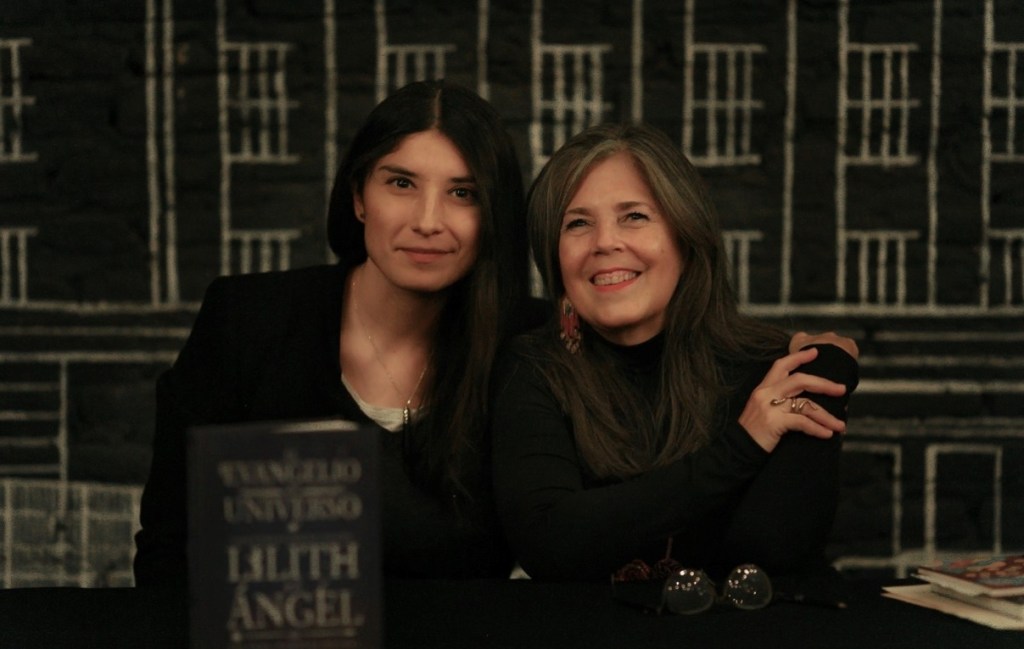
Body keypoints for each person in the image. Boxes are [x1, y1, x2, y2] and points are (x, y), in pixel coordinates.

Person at [134, 79, 541, 585]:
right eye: (401, 184)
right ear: (359, 197)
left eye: (463, 193)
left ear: (494, 214)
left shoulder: (530, 344)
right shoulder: (248, 319)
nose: (428, 221)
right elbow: (170, 546)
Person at [491, 123, 859, 582]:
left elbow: (771, 554)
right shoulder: (533, 369)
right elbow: (549, 543)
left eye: (634, 216)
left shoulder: (776, 372)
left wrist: (832, 366)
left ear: (686, 236)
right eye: (578, 223)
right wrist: (743, 445)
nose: (604, 242)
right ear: (554, 256)